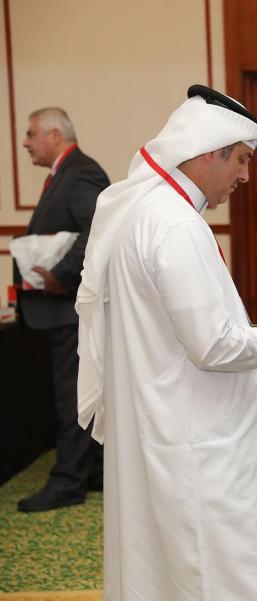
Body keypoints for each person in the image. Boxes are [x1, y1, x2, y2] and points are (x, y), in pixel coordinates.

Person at [75, 85, 257, 601]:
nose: (246, 176)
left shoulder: (149, 212)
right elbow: (215, 346)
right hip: (197, 440)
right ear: (208, 151)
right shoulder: (175, 224)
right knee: (218, 574)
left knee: (172, 571)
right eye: (242, 160)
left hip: (170, 424)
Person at [13, 107, 109, 512]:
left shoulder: (81, 172)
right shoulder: (65, 172)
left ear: (55, 134)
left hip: (70, 308)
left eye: (31, 134)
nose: (25, 143)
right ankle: (94, 470)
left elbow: (98, 231)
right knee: (76, 393)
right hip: (61, 309)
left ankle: (69, 481)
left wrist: (60, 274)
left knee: (72, 397)